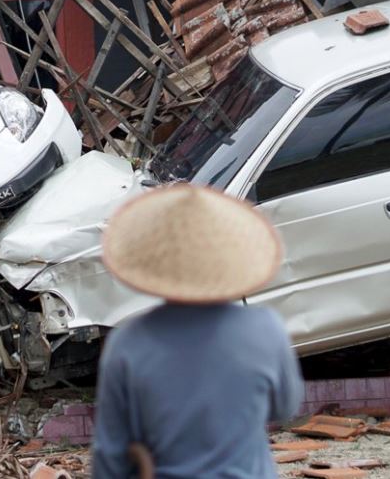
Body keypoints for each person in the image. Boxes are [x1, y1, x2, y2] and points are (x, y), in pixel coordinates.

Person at [91, 184, 305, 478]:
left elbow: (111, 454)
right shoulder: (265, 328)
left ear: (156, 264)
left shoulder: (128, 343)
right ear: (229, 260)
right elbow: (285, 407)